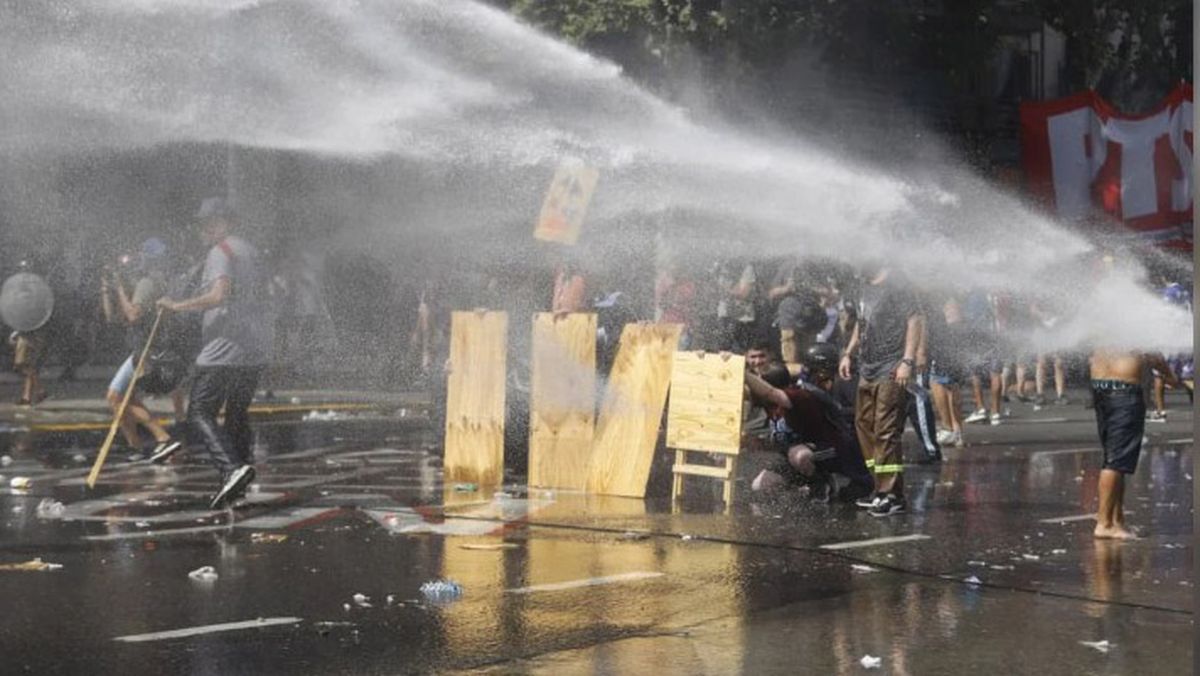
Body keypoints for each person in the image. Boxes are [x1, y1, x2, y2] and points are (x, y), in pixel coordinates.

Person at [157, 198, 273, 508]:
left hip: (225, 348)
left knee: (199, 412)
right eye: (203, 223)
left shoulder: (221, 252)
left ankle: (231, 469)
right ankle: (240, 475)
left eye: (211, 222)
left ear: (228, 222)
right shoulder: (251, 251)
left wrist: (177, 306)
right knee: (236, 412)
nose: (205, 229)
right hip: (255, 347)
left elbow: (219, 295)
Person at [839, 266, 922, 516]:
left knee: (886, 429)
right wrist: (848, 353)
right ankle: (879, 487)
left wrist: (907, 361)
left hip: (891, 366)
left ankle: (892, 495)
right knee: (864, 424)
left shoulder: (898, 284)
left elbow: (915, 320)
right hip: (867, 367)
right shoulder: (864, 286)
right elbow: (861, 323)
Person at [745, 348, 873, 503]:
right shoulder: (769, 404)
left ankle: (823, 483)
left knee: (799, 455)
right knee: (760, 485)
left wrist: (743, 373)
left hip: (829, 450)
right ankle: (803, 486)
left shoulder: (799, 397)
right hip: (798, 453)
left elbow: (770, 392)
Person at [99, 238, 183, 462]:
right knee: (120, 397)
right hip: (150, 349)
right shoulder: (161, 281)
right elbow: (112, 317)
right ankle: (135, 447)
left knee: (117, 397)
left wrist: (119, 289)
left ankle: (163, 438)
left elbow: (133, 315)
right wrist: (109, 290)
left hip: (146, 350)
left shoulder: (147, 283)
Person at [1089, 349, 1180, 539]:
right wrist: (1170, 376)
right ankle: (1104, 523)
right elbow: (1153, 354)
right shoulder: (1133, 329)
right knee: (1115, 461)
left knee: (1115, 458)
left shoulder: (1099, 329)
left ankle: (1117, 520)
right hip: (1124, 390)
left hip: (1100, 387)